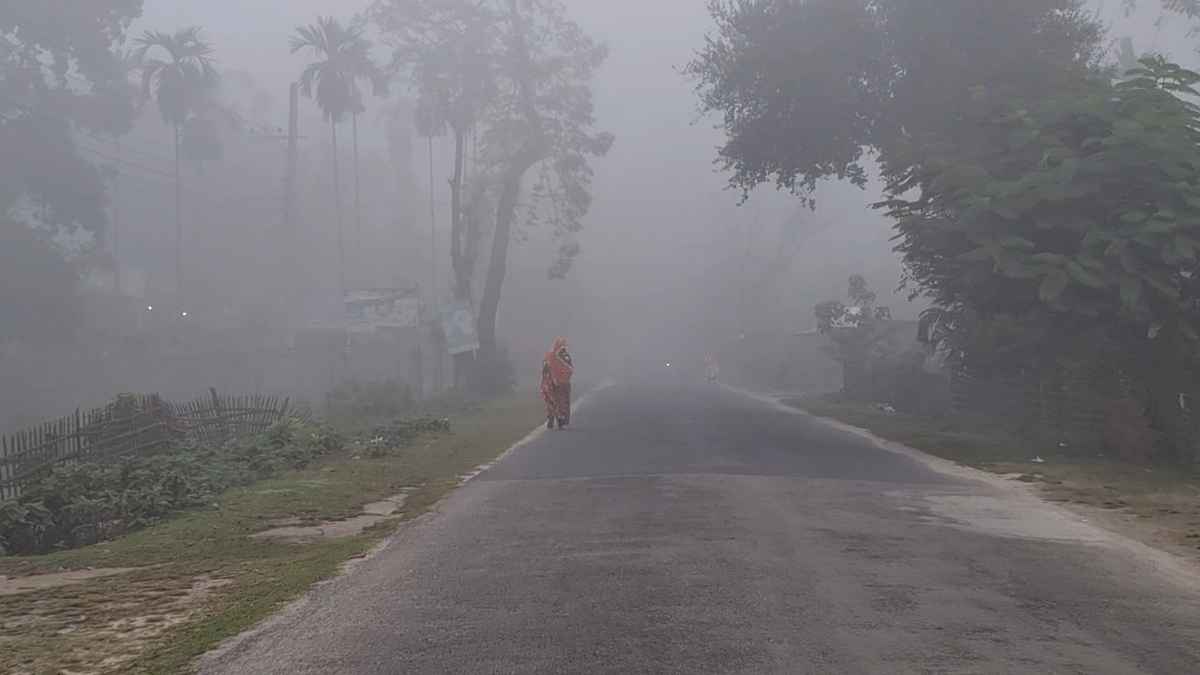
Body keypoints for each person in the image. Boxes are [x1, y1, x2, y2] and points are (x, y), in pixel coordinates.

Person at [541, 337, 574, 429]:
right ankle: (561, 420)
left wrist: (547, 380)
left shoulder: (549, 355)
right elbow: (570, 369)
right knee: (562, 401)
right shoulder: (564, 356)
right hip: (561, 383)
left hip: (551, 382)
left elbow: (544, 370)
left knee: (553, 401)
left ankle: (552, 418)